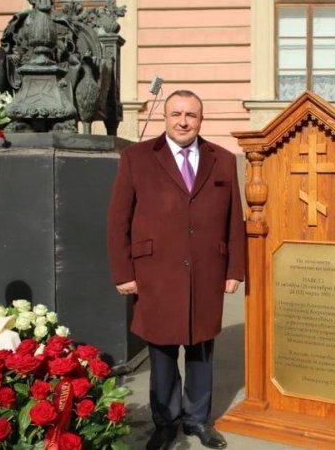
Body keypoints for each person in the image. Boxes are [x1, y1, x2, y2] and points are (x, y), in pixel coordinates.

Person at [107, 89, 245, 450]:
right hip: (156, 273)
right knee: (163, 351)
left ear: (201, 119)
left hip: (206, 272)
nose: (184, 121)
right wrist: (123, 272)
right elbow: (118, 219)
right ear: (165, 118)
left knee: (201, 349)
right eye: (176, 114)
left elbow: (235, 221)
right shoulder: (136, 157)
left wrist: (235, 269)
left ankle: (198, 419)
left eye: (192, 115)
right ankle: (165, 421)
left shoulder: (224, 160)